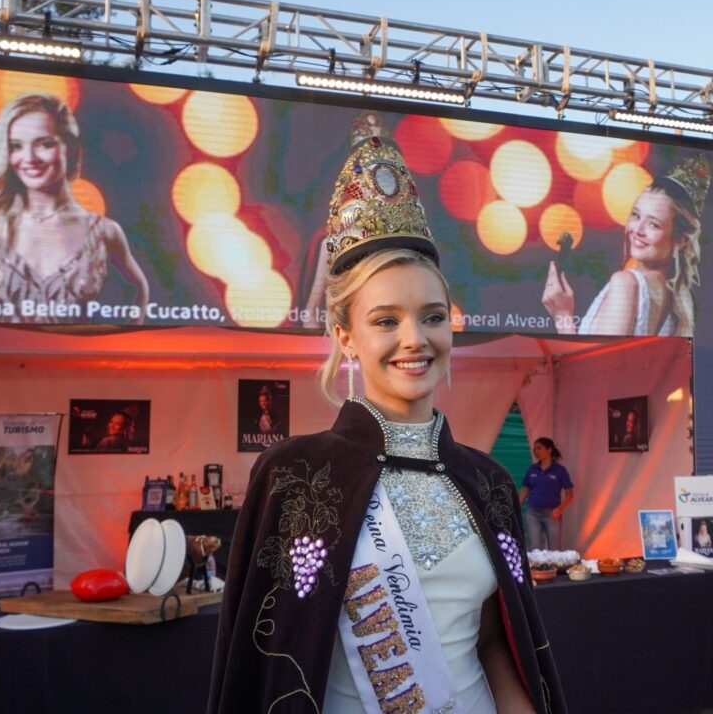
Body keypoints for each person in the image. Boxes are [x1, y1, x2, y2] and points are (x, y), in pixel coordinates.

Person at [209, 114, 566, 714]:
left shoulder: (489, 483)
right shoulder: (296, 477)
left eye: (431, 316)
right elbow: (258, 665)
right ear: (345, 335)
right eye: (385, 320)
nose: (414, 339)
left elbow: (495, 646)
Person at [0, 93, 149, 323]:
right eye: (16, 146)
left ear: (69, 147)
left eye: (45, 144)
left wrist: (121, 346)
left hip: (70, 357)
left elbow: (137, 288)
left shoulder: (104, 232)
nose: (29, 158)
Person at [543, 154, 710, 337]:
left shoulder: (625, 284)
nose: (637, 229)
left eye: (653, 224)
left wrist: (563, 316)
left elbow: (600, 366)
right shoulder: (672, 304)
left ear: (681, 240)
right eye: (636, 215)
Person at [518, 438, 574, 551]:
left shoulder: (560, 470)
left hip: (552, 514)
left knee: (554, 549)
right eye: (534, 449)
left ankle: (554, 569)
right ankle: (536, 569)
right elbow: (524, 490)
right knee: (534, 548)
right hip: (533, 513)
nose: (536, 451)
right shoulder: (532, 469)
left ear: (549, 450)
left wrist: (560, 509)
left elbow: (569, 494)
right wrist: (516, 506)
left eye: (539, 448)